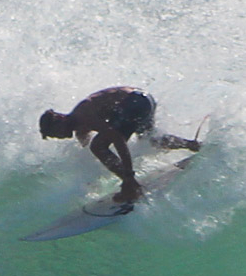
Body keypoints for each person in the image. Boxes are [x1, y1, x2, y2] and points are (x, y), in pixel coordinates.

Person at [39, 87, 200, 203]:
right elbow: (90, 158)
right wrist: (89, 181)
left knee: (98, 146)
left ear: (60, 119)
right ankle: (193, 145)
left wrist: (129, 177)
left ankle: (132, 187)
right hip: (143, 99)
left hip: (134, 102)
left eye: (55, 133)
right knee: (151, 140)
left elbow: (117, 140)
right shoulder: (80, 130)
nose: (58, 137)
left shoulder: (84, 115)